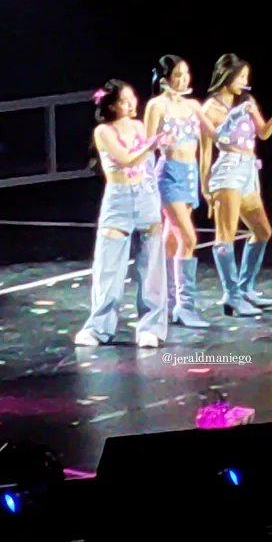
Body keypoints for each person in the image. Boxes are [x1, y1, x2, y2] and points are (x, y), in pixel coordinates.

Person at [75, 80, 167, 348]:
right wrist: (151, 145)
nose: (131, 104)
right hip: (119, 200)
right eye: (124, 101)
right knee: (109, 268)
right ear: (112, 105)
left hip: (145, 194)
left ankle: (151, 328)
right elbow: (126, 158)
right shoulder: (103, 131)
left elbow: (147, 164)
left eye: (132, 98)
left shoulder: (138, 126)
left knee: (151, 266)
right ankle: (99, 328)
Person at [144, 54, 219, 328]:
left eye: (186, 73)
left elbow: (216, 133)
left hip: (189, 175)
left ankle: (165, 301)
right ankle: (185, 306)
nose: (183, 79)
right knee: (188, 238)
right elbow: (146, 144)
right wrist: (160, 140)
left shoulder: (192, 105)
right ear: (165, 79)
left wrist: (234, 112)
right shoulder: (156, 105)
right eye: (177, 74)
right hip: (169, 175)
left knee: (172, 240)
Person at [200, 53, 272, 315]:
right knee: (226, 234)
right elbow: (205, 151)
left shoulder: (247, 101)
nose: (245, 82)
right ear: (228, 76)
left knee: (263, 230)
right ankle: (231, 295)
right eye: (241, 76)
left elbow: (263, 132)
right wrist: (205, 188)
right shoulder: (210, 109)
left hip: (249, 170)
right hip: (228, 171)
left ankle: (245, 288)